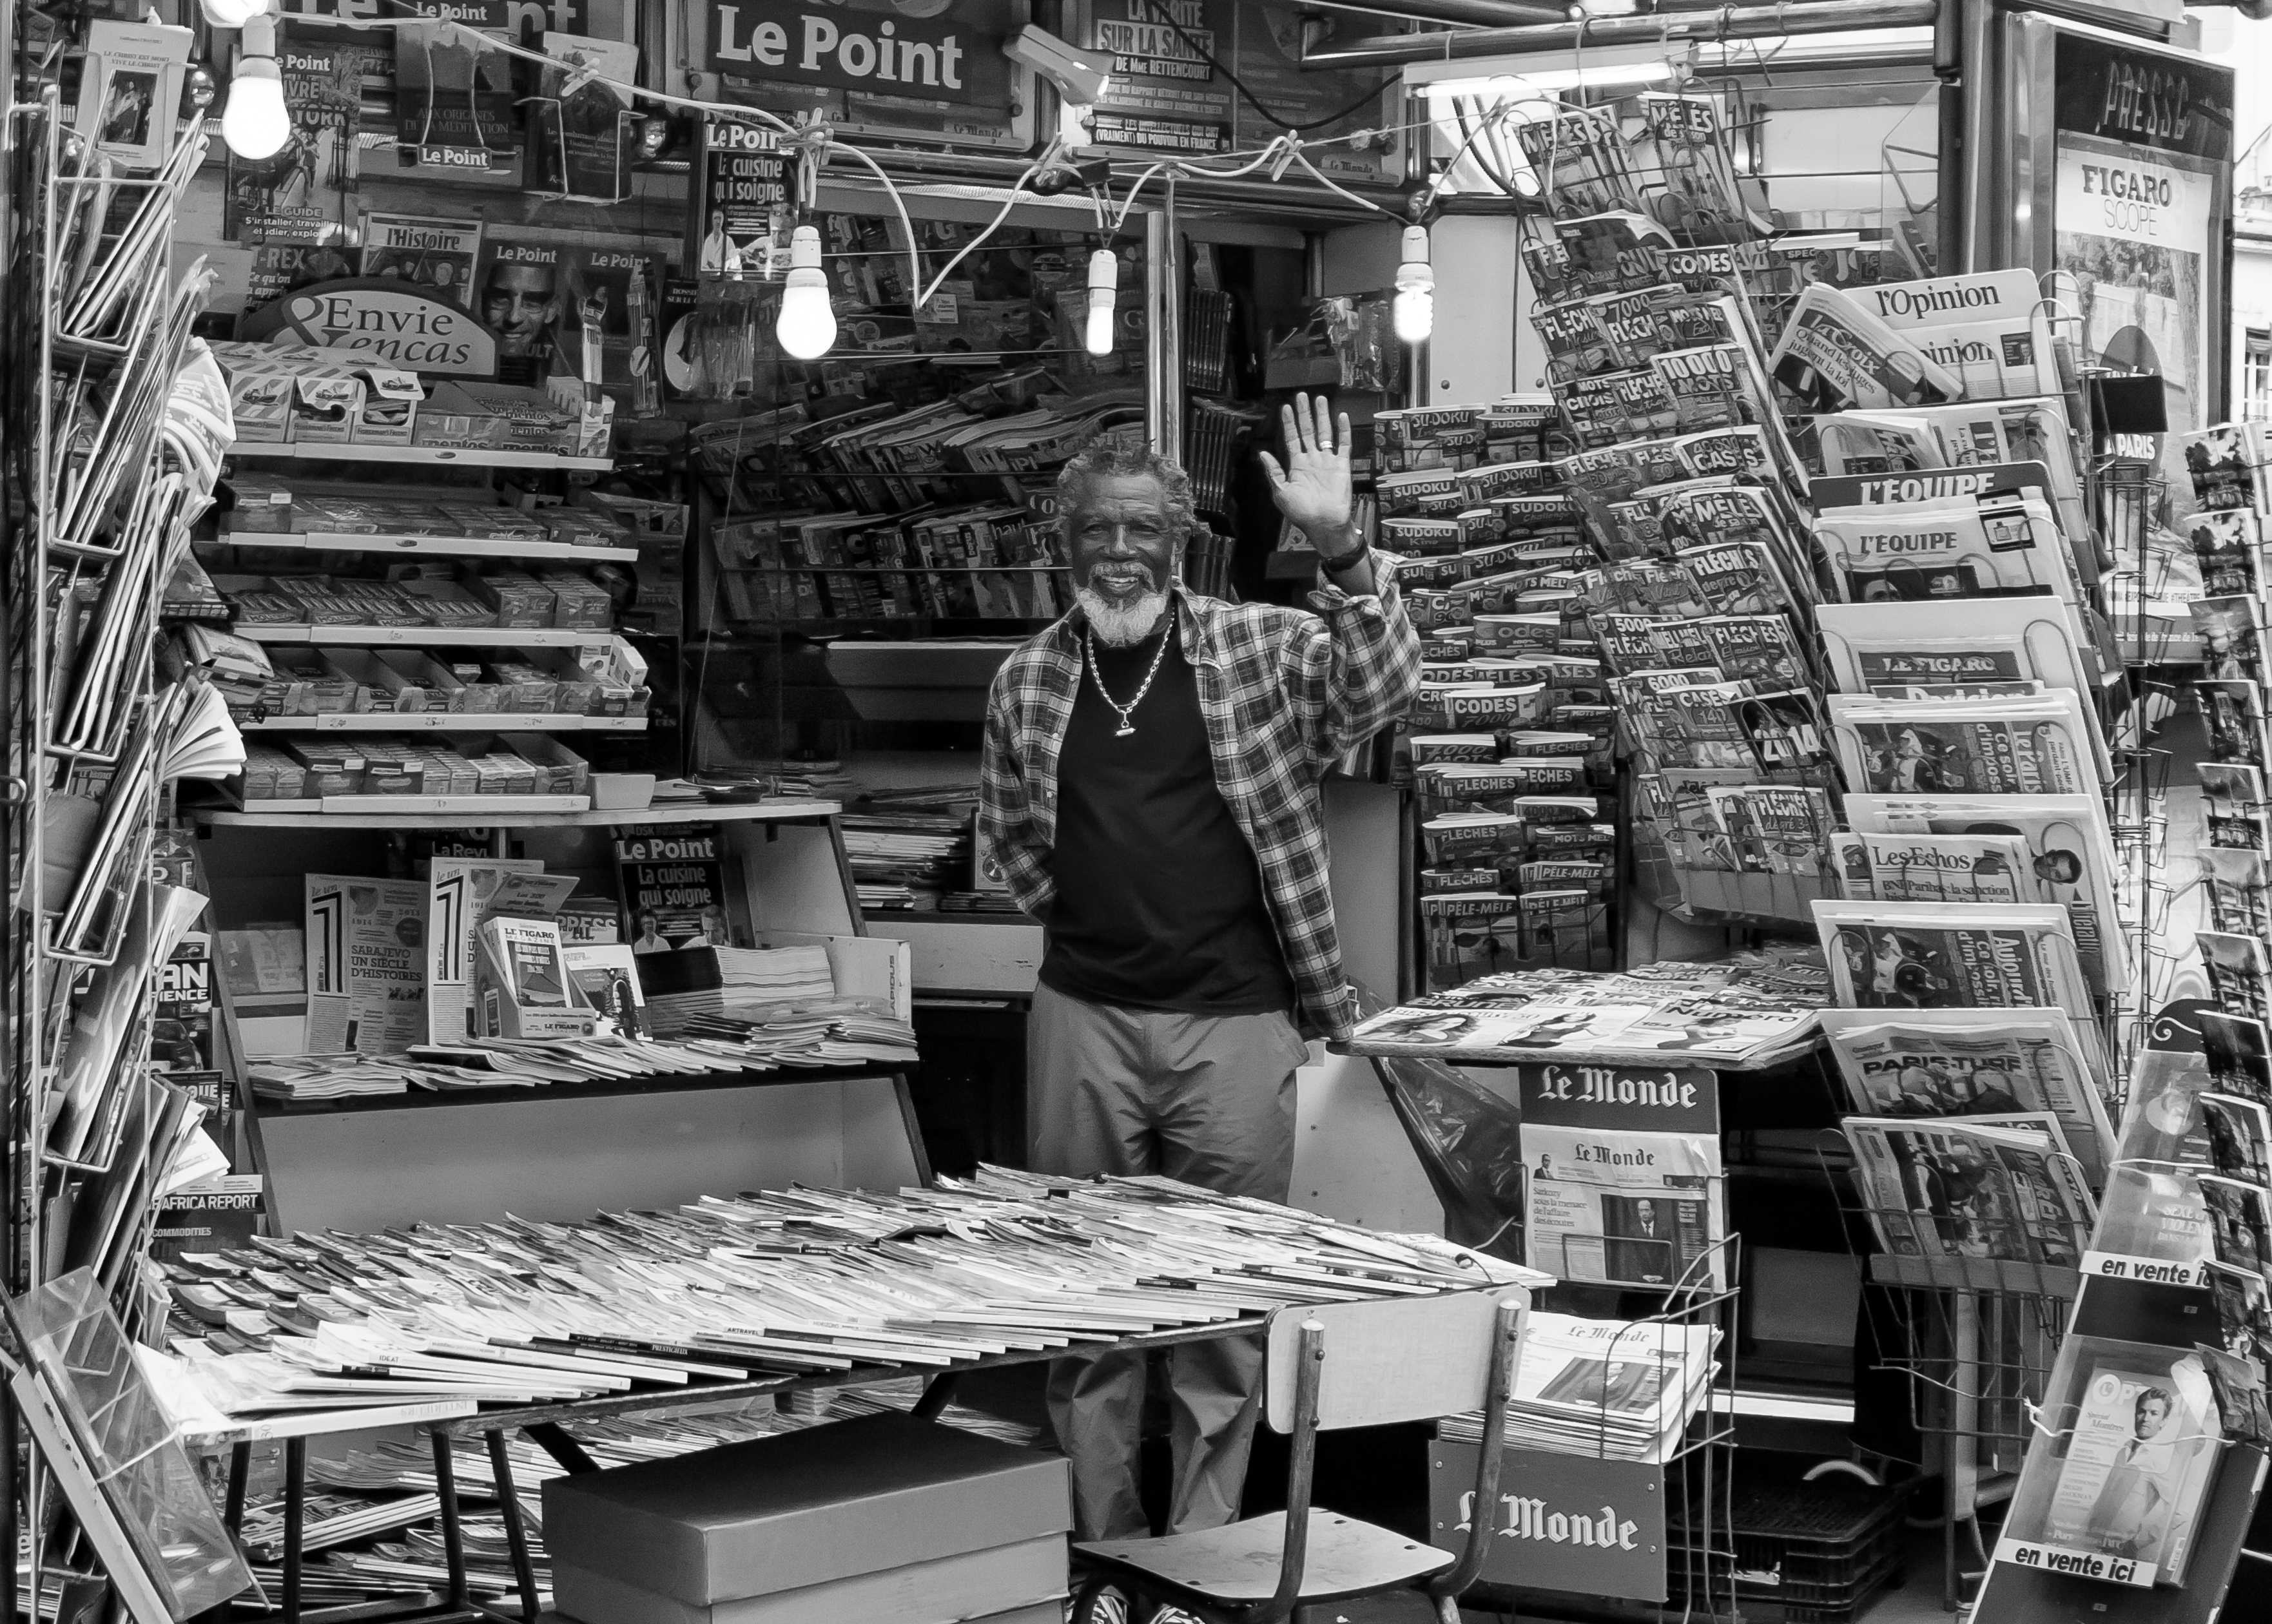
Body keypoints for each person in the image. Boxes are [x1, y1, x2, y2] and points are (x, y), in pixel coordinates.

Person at [979, 394, 1419, 1543]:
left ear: (1181, 548)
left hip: (1236, 1022)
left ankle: (1206, 1555)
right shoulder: (1026, 679)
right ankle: (1105, 1553)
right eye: (1096, 533)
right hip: (1084, 1015)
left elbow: (1378, 688)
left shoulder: (1258, 648)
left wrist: (1342, 544)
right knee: (1086, 1297)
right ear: (1061, 543)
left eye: (1143, 534)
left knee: (1223, 1301)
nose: (1118, 554)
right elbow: (1015, 845)